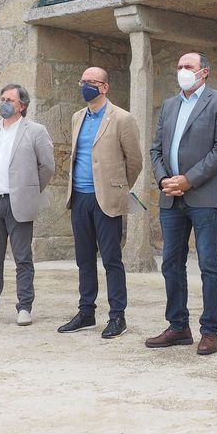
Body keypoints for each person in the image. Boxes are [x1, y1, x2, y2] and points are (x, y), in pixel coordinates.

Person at [146, 52, 217, 356]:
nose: (183, 71)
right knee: (171, 263)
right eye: (180, 66)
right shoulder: (170, 105)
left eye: (189, 67)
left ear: (204, 72)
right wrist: (163, 180)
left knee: (209, 265)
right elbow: (156, 149)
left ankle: (209, 331)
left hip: (204, 197)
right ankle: (178, 326)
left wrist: (188, 180)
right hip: (170, 198)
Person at [58, 67, 142, 339]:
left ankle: (118, 316)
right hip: (79, 196)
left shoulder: (122, 118)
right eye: (82, 81)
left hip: (106, 198)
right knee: (84, 259)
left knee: (111, 259)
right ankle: (86, 312)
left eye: (91, 82)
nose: (85, 86)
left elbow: (135, 161)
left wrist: (118, 186)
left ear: (104, 87)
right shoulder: (77, 117)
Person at [0, 84, 56, 327]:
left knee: (22, 258)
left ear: (22, 105)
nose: (4, 103)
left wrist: (30, 189)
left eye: (10, 100)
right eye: (2, 99)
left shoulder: (35, 131)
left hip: (19, 203)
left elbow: (47, 166)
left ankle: (24, 306)